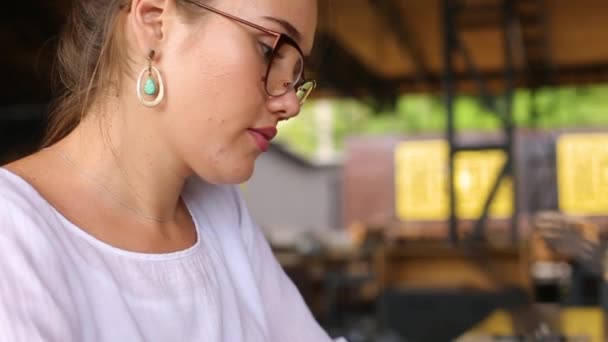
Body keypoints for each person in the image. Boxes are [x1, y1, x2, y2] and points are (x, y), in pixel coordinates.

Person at [0, 0, 344, 341]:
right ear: (154, 24)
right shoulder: (13, 235)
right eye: (269, 51)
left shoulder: (222, 215)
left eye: (296, 72)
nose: (292, 103)